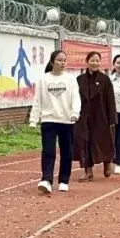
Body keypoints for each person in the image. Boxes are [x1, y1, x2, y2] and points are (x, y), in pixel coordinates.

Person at [28, 49, 81, 193]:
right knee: (48, 151)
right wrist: (34, 119)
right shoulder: (43, 79)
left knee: (66, 152)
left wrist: (75, 113)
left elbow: (76, 98)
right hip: (48, 120)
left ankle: (64, 180)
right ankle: (46, 179)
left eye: (64, 60)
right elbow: (37, 100)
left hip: (67, 120)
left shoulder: (70, 79)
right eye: (59, 60)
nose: (62, 62)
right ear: (52, 62)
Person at [74, 51, 118, 180]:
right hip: (84, 117)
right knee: (84, 142)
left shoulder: (105, 79)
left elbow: (111, 100)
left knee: (104, 141)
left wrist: (112, 117)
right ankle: (88, 171)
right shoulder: (79, 80)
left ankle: (107, 163)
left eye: (97, 60)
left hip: (101, 116)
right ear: (87, 62)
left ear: (100, 62)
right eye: (92, 60)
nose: (95, 63)